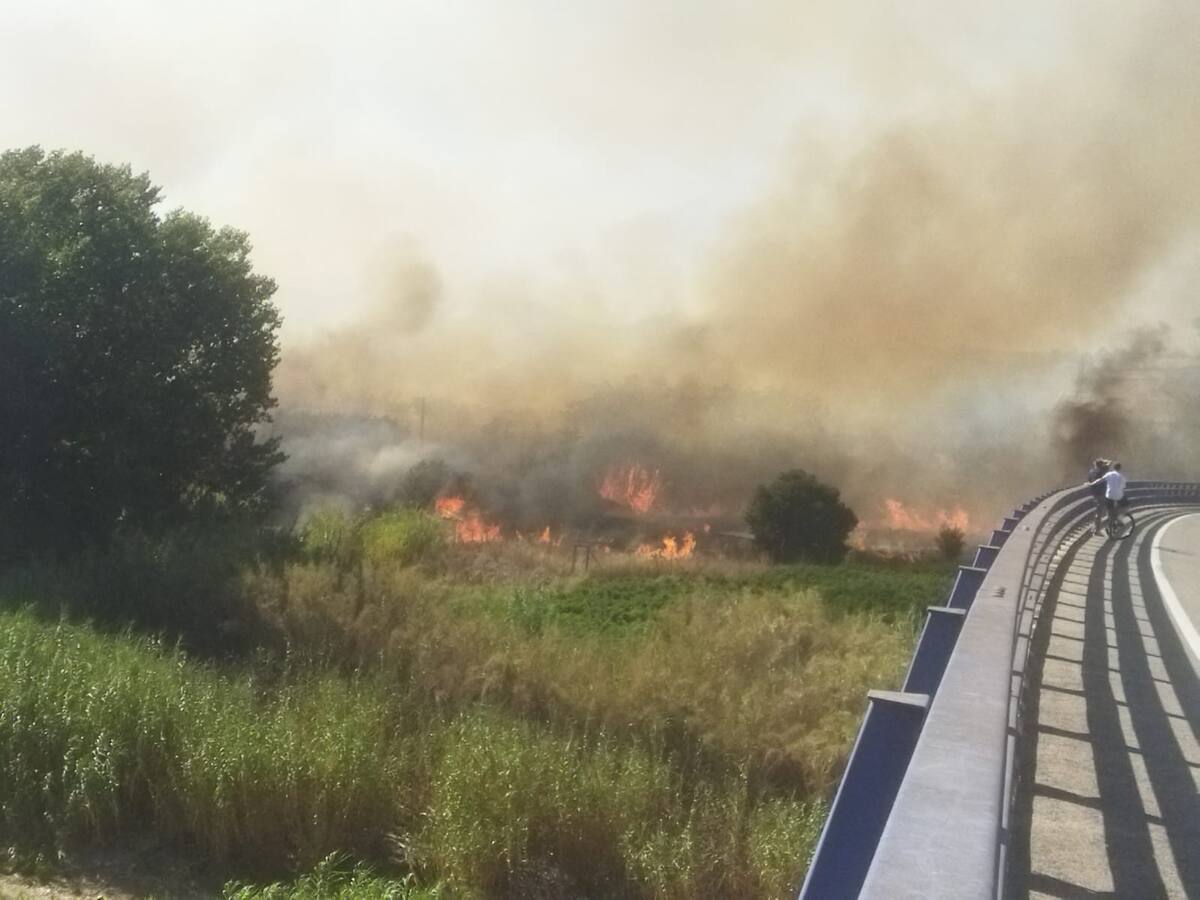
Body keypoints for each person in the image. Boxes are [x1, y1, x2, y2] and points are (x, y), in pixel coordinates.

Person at [1086, 461, 1133, 536]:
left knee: (1105, 510)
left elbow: (1097, 480)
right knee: (1125, 505)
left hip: (1101, 494)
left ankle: (1108, 524)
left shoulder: (1095, 472)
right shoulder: (1119, 475)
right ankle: (1118, 519)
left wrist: (1091, 484)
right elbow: (1123, 487)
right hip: (1105, 495)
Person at [1086, 458, 1109, 535]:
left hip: (1094, 493)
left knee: (1098, 511)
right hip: (1101, 494)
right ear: (1101, 465)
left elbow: (1089, 480)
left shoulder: (1091, 471)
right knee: (1099, 512)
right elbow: (1109, 464)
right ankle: (1097, 530)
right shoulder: (1102, 471)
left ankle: (1095, 527)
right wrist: (1106, 462)